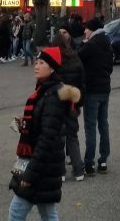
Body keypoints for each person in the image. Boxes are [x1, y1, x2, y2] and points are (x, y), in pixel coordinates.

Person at [8, 46, 81, 220]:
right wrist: (25, 122)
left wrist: (30, 173)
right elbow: (43, 127)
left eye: (42, 63)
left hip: (41, 166)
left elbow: (48, 137)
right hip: (46, 166)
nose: (36, 65)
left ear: (52, 68)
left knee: (16, 213)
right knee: (48, 213)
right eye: (37, 62)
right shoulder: (45, 91)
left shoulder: (53, 96)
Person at [77, 18, 113, 175]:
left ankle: (89, 163)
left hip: (92, 89)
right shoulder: (107, 42)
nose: (84, 31)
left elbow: (77, 57)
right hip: (105, 88)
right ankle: (103, 160)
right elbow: (110, 67)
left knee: (90, 127)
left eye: (86, 29)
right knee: (103, 125)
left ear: (92, 29)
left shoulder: (90, 45)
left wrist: (82, 44)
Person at [56, 30, 86, 181]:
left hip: (58, 103)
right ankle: (78, 170)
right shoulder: (75, 57)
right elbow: (82, 81)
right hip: (72, 103)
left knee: (59, 137)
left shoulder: (54, 59)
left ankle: (60, 171)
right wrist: (79, 102)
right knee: (72, 137)